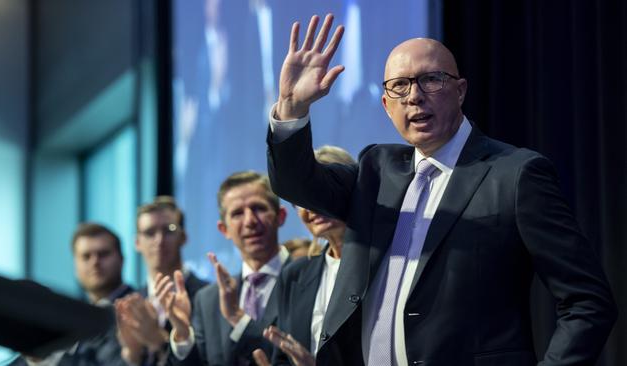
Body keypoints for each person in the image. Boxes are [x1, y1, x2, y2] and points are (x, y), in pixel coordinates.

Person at [266, 14, 617, 366]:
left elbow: (588, 301)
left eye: (431, 80)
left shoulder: (516, 175)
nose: (415, 96)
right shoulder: (375, 169)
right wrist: (293, 108)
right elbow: (297, 183)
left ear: (461, 90)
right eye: (400, 86)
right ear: (387, 106)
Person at [158, 171, 292, 365]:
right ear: (224, 229)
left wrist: (237, 318)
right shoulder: (208, 300)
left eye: (259, 208)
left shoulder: (306, 279)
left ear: (280, 216)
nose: (250, 221)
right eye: (237, 213)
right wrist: (182, 333)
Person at [259, 145, 354, 366]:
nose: (310, 205)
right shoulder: (294, 275)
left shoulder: (385, 264)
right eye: (300, 199)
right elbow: (283, 357)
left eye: (320, 191)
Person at [9, 223, 134, 366]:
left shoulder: (141, 310)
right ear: (75, 264)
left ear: (122, 259)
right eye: (86, 256)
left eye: (103, 254)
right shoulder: (72, 316)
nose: (95, 262)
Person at [115, 196, 207, 365]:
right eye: (150, 232)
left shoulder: (208, 296)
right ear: (137, 243)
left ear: (183, 237)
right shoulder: (131, 303)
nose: (159, 240)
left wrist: (159, 340)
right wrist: (132, 354)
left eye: (169, 230)